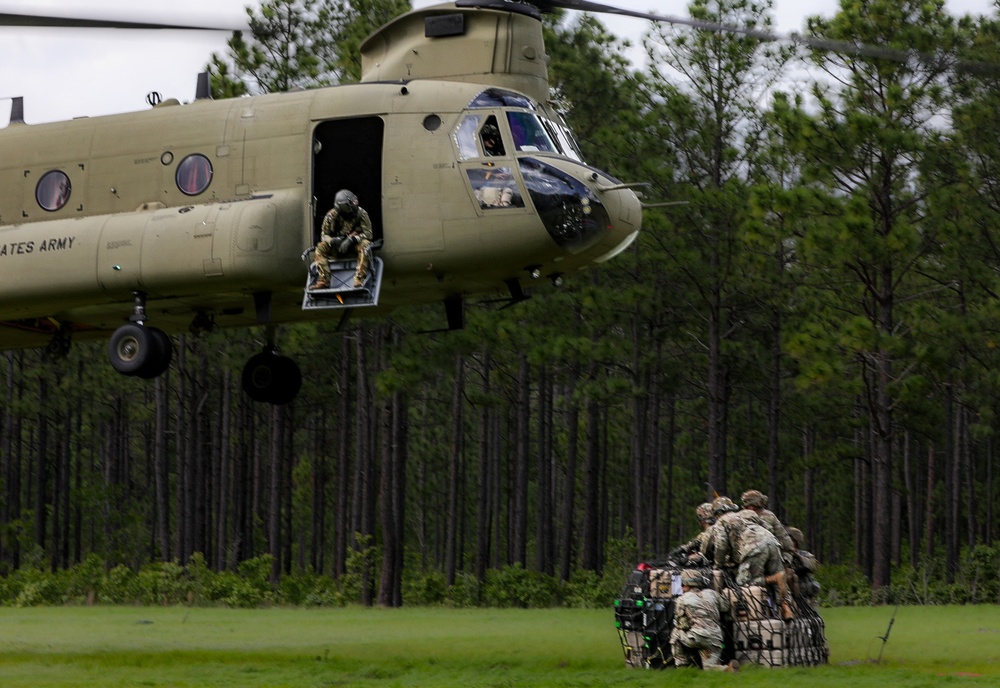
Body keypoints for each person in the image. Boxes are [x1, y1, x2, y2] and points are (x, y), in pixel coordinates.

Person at [709, 496, 793, 620]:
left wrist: (718, 564)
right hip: (772, 542)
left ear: (717, 513)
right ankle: (786, 607)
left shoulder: (721, 522)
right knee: (777, 576)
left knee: (744, 582)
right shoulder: (745, 515)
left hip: (753, 547)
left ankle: (774, 579)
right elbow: (768, 528)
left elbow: (721, 545)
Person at [670, 569, 739, 672]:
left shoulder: (682, 599)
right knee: (709, 668)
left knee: (675, 633)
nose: (682, 587)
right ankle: (727, 669)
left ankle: (682, 667)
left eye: (683, 584)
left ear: (686, 584)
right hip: (715, 638)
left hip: (697, 637)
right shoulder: (712, 593)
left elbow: (680, 624)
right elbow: (726, 607)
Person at [310, 189, 373, 290]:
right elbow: (324, 235)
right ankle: (324, 280)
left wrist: (352, 240)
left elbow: (368, 234)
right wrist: (333, 241)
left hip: (354, 246)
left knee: (365, 245)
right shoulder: (331, 215)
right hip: (336, 246)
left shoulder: (362, 214)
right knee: (320, 248)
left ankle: (359, 279)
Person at [740, 489, 795, 561]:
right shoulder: (739, 518)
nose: (751, 509)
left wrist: (786, 558)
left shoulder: (769, 517)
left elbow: (784, 540)